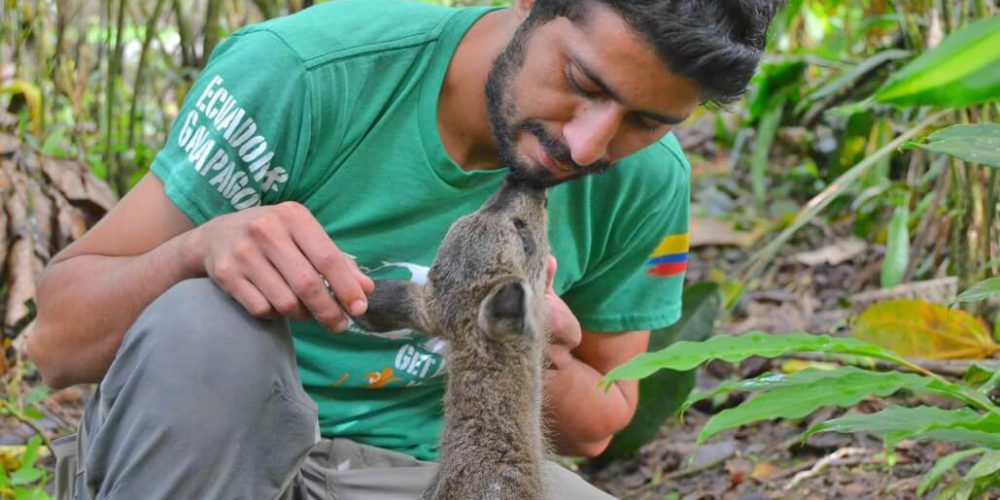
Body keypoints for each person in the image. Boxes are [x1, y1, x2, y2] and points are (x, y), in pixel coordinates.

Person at [28, 0, 779, 498]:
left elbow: (600, 422)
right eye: (579, 81)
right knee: (206, 321)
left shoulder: (645, 179)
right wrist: (199, 249)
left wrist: (510, 343)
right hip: (213, 455)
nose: (588, 144)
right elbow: (57, 343)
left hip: (427, 473)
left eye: (646, 120)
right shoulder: (307, 72)